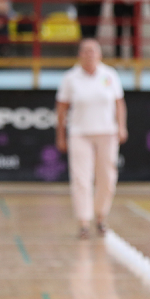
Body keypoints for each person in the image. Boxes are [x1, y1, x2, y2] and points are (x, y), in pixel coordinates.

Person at [55, 39, 128, 239]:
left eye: (93, 51)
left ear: (100, 55)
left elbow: (119, 103)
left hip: (107, 132)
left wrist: (121, 126)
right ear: (80, 55)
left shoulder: (109, 75)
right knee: (81, 178)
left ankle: (101, 216)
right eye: (85, 51)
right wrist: (60, 135)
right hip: (80, 133)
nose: (89, 55)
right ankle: (83, 221)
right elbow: (62, 109)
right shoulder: (70, 78)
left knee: (107, 176)